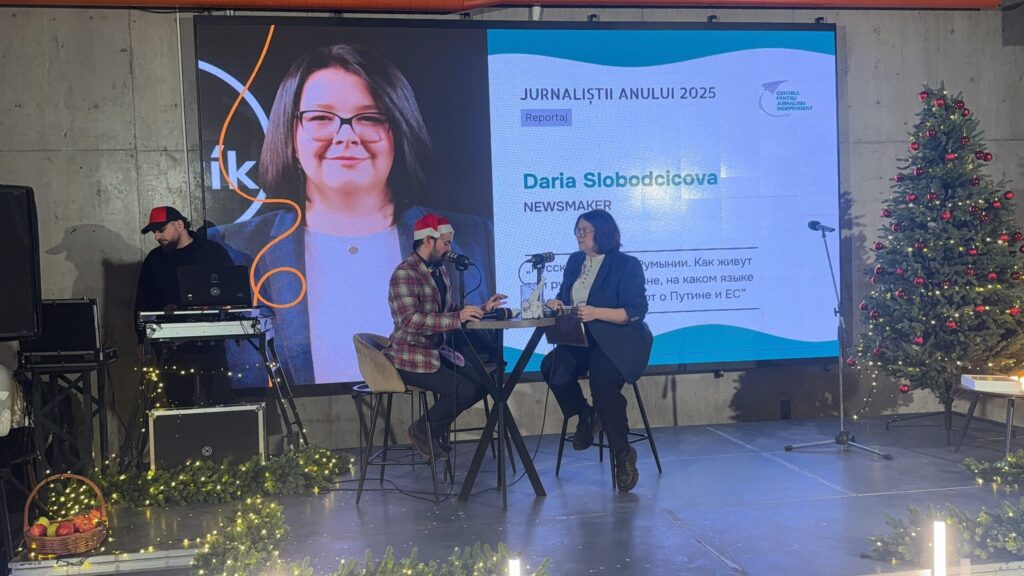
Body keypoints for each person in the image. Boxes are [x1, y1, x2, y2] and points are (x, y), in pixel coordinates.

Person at [209, 42, 494, 387]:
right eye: (321, 118)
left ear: (398, 130)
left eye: (370, 118)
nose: (346, 137)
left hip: (425, 383)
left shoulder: (474, 236)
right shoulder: (233, 245)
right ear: (291, 132)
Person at [541, 209, 653, 492]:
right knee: (551, 367)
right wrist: (557, 303)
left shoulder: (626, 264)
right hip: (581, 338)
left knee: (602, 384)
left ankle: (622, 453)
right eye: (577, 230)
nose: (579, 236)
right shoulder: (575, 261)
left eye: (585, 231)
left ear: (602, 233)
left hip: (619, 339)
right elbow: (567, 295)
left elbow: (636, 311)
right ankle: (585, 414)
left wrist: (596, 312)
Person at [385, 213, 505, 459]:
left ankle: (430, 431)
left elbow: (449, 310)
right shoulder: (405, 273)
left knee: (485, 383)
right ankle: (422, 430)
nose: (449, 249)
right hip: (411, 356)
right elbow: (409, 320)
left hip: (436, 352)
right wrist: (457, 318)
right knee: (464, 390)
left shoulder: (439, 270)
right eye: (446, 243)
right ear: (428, 240)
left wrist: (482, 309)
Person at [134, 206, 235, 407]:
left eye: (161, 230)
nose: (157, 236)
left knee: (220, 399)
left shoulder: (211, 252)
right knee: (178, 404)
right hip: (171, 345)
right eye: (154, 232)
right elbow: (143, 300)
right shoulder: (155, 259)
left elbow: (232, 288)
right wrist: (141, 337)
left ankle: (222, 428)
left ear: (179, 225)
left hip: (211, 341)